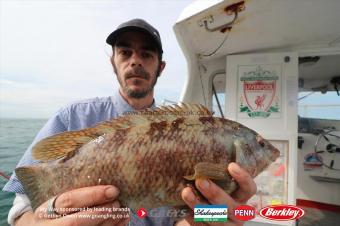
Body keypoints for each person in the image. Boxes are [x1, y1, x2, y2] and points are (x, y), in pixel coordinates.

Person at [3, 18, 256, 226]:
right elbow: (21, 211)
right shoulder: (73, 118)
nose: (135, 60)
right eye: (125, 52)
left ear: (161, 67)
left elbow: (183, 216)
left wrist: (216, 216)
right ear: (113, 61)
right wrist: (40, 220)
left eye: (146, 54)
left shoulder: (184, 126)